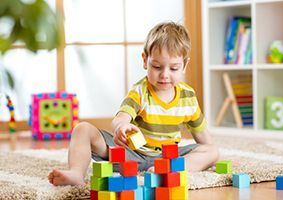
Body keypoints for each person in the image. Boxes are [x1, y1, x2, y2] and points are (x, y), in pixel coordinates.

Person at [48, 21, 219, 186]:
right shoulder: (140, 92)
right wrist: (121, 127)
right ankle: (76, 173)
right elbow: (120, 118)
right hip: (131, 154)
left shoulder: (188, 97)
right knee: (82, 129)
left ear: (184, 65)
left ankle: (167, 171)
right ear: (145, 60)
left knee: (212, 151)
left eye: (173, 68)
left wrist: (209, 154)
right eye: (157, 66)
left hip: (169, 159)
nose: (165, 75)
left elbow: (203, 137)